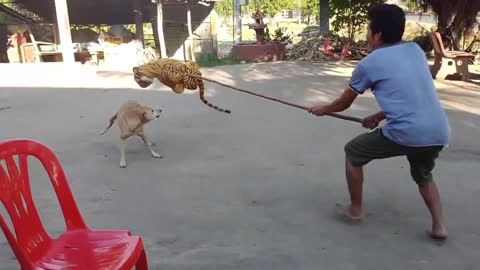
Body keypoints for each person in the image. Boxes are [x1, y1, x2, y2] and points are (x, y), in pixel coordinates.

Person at [309, 3, 450, 240]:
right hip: (438, 131)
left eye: (368, 28)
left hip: (408, 133)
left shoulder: (369, 63)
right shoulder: (414, 50)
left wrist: (322, 109)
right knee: (424, 175)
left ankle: (355, 211)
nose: (366, 33)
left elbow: (344, 103)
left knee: (353, 152)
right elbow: (411, 94)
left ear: (378, 35)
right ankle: (439, 226)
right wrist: (380, 115)